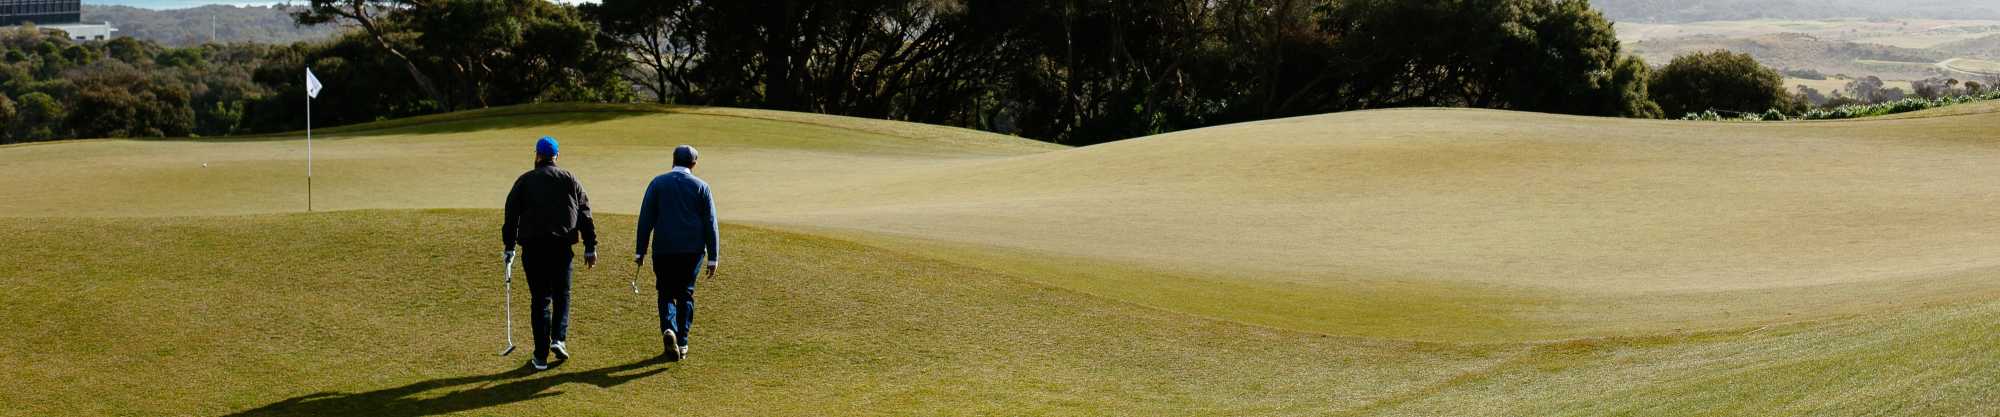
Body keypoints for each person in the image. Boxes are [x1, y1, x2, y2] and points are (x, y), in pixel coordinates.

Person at [503, 136, 598, 371]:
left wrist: (509, 247)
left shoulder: (525, 180)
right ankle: (558, 339)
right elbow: (585, 212)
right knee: (562, 294)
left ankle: (540, 356)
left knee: (540, 300)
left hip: (533, 249)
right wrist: (590, 246)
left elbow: (511, 216)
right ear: (556, 156)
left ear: (537, 155)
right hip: (561, 248)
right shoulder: (569, 179)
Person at [634, 145, 719, 362]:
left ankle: (668, 329)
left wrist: (640, 251)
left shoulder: (658, 183)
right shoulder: (702, 186)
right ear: (693, 164)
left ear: (673, 160)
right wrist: (713, 256)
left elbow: (646, 219)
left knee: (665, 292)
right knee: (685, 293)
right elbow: (710, 223)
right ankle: (682, 341)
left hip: (663, 249)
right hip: (692, 251)